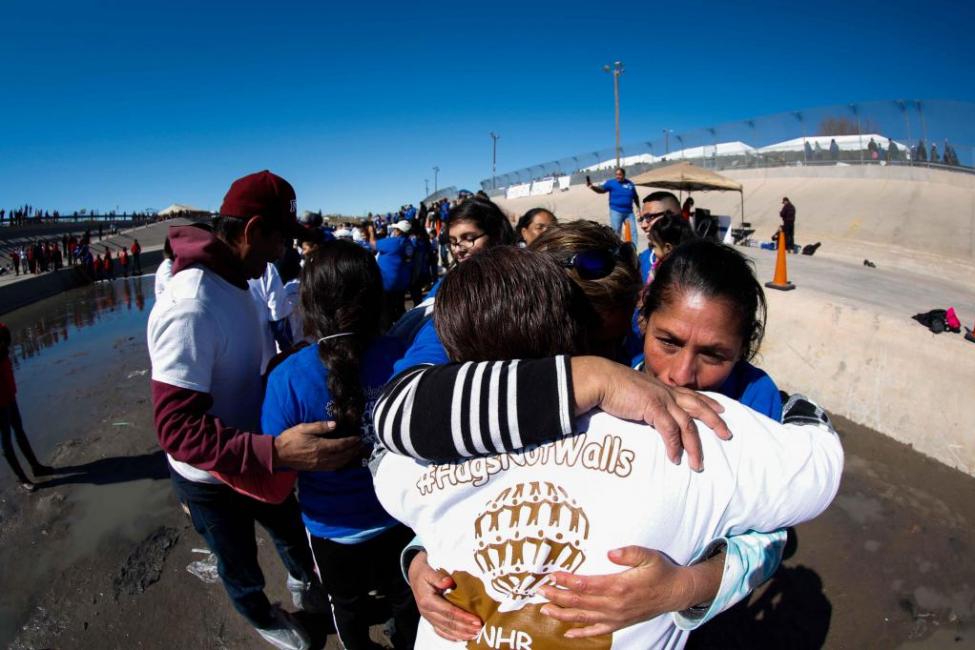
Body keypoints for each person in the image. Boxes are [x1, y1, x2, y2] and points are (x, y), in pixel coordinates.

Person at [371, 246, 843, 649]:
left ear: (744, 350)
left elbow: (770, 534)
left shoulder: (751, 406)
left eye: (714, 355)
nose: (681, 376)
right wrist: (420, 557)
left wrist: (688, 586)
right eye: (668, 342)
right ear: (643, 320)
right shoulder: (605, 376)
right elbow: (464, 491)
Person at [148, 170, 361, 650]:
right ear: (252, 231)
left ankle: (306, 588)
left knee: (290, 534)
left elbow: (236, 369)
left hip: (257, 454)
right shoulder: (190, 304)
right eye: (282, 238)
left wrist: (281, 368)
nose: (285, 251)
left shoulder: (237, 282)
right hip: (212, 475)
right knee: (239, 561)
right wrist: (276, 451)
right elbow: (177, 430)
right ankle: (260, 615)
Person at [262, 241, 420, 649]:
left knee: (345, 608)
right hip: (401, 517)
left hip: (331, 530)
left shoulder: (287, 378)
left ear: (309, 303)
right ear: (373, 296)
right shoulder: (404, 357)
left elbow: (279, 474)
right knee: (406, 600)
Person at [0, 323, 54, 493]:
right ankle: (22, 479)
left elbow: (4, 330)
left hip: (8, 392)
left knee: (19, 431)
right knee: (6, 442)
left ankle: (36, 466)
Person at [369, 219, 414, 328]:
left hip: (388, 283)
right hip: (402, 282)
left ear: (399, 231)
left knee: (386, 311)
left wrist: (371, 232)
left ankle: (389, 333)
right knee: (399, 307)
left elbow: (373, 244)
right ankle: (403, 329)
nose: (394, 230)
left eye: (395, 229)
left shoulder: (393, 242)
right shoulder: (409, 243)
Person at [637, 191, 682, 283]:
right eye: (642, 219)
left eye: (649, 217)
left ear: (672, 216)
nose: (643, 225)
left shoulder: (697, 261)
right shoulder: (644, 258)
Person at [587, 168, 640, 243]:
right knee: (616, 232)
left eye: (620, 174)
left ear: (624, 175)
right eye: (616, 174)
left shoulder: (630, 183)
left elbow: (635, 196)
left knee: (633, 232)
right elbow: (601, 190)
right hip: (616, 211)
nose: (618, 176)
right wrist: (592, 187)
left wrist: (638, 207)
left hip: (629, 213)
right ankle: (617, 250)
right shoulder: (611, 183)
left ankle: (633, 250)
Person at [646, 213, 696, 279]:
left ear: (668, 248)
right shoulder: (692, 263)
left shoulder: (672, 274)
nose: (653, 250)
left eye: (654, 246)